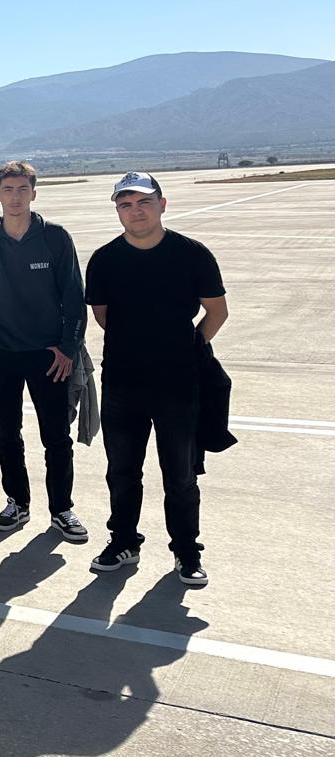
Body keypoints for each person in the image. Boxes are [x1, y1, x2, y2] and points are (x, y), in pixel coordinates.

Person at [86, 172, 228, 587]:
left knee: (180, 475)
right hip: (122, 383)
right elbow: (103, 316)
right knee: (122, 471)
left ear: (162, 204)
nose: (135, 211)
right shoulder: (104, 259)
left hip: (178, 384)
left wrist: (188, 347)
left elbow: (216, 311)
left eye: (144, 202)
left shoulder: (192, 254)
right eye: (125, 205)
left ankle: (186, 551)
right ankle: (123, 541)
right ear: (118, 211)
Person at [0, 160, 88, 542]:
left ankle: (62, 509)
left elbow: (74, 296)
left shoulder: (55, 238)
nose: (15, 197)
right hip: (0, 353)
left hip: (48, 356)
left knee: (56, 436)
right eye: (8, 190)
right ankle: (17, 502)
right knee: (7, 433)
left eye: (22, 189)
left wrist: (68, 348)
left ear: (34, 193)